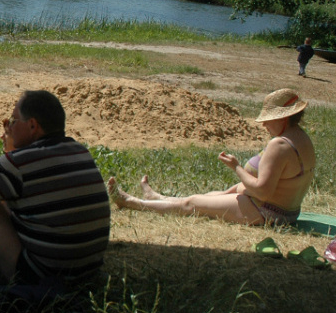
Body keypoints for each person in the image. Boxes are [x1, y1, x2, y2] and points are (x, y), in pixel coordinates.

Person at [0, 90, 111, 285]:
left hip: (42, 277)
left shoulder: (22, 162)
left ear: (32, 125)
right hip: (87, 274)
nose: (10, 129)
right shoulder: (80, 152)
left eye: (13, 121)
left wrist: (8, 157)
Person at [107, 88, 315, 226]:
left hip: (266, 212)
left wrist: (237, 167)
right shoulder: (302, 138)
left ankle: (130, 202)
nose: (264, 124)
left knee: (193, 203)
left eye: (268, 119)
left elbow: (263, 191)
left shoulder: (279, 145)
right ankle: (157, 198)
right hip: (287, 213)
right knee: (211, 196)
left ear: (283, 118)